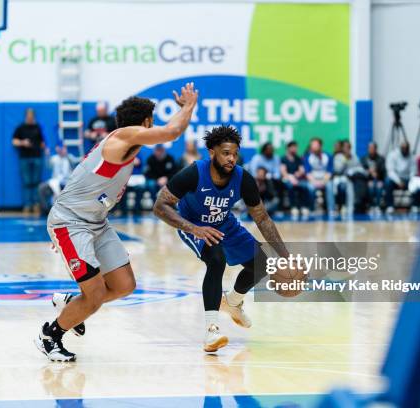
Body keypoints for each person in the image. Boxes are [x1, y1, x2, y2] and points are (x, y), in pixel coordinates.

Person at [35, 82, 199, 362]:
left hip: (95, 221)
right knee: (95, 295)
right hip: (71, 223)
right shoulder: (124, 137)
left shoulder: (124, 143)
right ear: (145, 122)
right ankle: (51, 334)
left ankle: (71, 302)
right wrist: (188, 106)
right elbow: (172, 132)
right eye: (152, 122)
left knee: (124, 285)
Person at [153, 125, 292, 352]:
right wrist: (194, 229)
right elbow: (160, 206)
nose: (231, 159)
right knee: (216, 260)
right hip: (193, 225)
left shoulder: (243, 178)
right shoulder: (194, 173)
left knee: (263, 264)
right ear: (212, 153)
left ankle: (234, 302)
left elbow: (262, 218)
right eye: (226, 153)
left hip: (225, 224)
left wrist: (286, 256)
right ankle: (211, 331)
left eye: (235, 154)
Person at [12, 108, 46, 214]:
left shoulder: (38, 127)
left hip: (37, 157)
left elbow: (42, 141)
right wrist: (23, 142)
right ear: (26, 116)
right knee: (27, 182)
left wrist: (44, 147)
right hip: (24, 158)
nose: (30, 117)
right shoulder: (20, 127)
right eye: (29, 115)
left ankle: (36, 204)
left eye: (32, 115)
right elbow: (14, 141)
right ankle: (27, 205)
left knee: (36, 182)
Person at [38, 142, 75, 215]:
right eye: (60, 148)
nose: (61, 150)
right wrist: (47, 155)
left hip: (67, 182)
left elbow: (74, 166)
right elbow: (48, 165)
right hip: (55, 182)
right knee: (41, 187)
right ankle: (46, 210)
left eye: (63, 148)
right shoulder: (54, 158)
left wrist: (66, 154)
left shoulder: (70, 157)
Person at [304, 137, 335, 215]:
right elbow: (308, 173)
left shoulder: (328, 156)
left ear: (320, 146)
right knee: (310, 187)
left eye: (315, 145)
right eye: (312, 145)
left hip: (325, 179)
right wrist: (315, 182)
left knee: (330, 186)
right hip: (313, 180)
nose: (313, 147)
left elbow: (329, 172)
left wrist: (323, 182)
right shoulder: (307, 157)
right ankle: (312, 209)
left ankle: (331, 209)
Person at [280, 141, 309, 217]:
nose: (295, 149)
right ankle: (293, 207)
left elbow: (301, 170)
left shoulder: (298, 158)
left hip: (297, 179)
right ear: (288, 148)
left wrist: (296, 175)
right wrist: (290, 178)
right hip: (287, 179)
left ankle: (303, 206)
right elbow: (283, 171)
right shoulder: (284, 158)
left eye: (296, 147)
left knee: (304, 186)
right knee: (290, 186)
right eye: (293, 147)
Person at [385, 141, 413, 214]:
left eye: (407, 148)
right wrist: (398, 181)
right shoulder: (392, 155)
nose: (405, 150)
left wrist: (411, 180)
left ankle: (415, 205)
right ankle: (390, 206)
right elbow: (390, 171)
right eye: (403, 148)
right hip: (395, 178)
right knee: (388, 181)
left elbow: (413, 171)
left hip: (407, 178)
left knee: (416, 182)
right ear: (400, 148)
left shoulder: (411, 156)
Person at [361, 142, 386, 213]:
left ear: (376, 149)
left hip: (379, 179)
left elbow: (383, 171)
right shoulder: (364, 159)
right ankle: (371, 205)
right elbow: (362, 171)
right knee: (370, 187)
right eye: (369, 148)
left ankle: (377, 206)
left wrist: (377, 173)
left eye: (372, 148)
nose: (371, 150)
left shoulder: (381, 159)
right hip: (368, 180)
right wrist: (369, 172)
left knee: (379, 187)